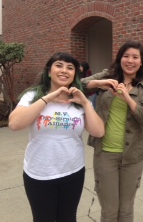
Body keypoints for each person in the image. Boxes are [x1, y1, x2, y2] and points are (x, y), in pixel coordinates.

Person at [8, 52, 105, 222]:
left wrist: (84, 103)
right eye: (59, 65)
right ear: (48, 71)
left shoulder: (79, 100)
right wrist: (48, 98)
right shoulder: (33, 96)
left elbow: (98, 132)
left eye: (70, 68)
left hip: (73, 171)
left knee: (68, 218)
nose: (64, 71)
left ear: (75, 74)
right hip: (40, 173)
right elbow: (15, 124)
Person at [81, 40, 143, 222]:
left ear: (141, 62)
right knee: (109, 211)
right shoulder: (108, 77)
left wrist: (128, 99)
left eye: (135, 57)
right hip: (105, 153)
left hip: (133, 157)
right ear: (120, 58)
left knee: (125, 210)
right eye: (126, 56)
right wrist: (99, 83)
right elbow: (77, 84)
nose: (130, 61)